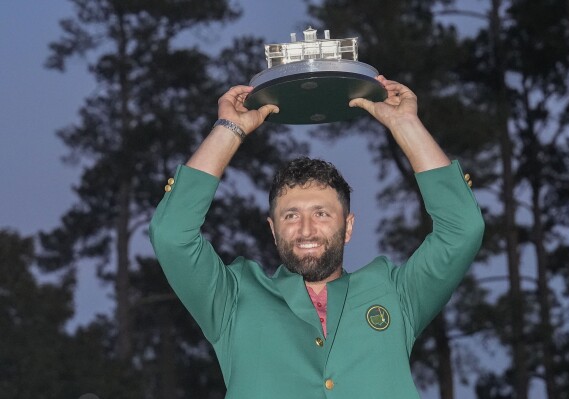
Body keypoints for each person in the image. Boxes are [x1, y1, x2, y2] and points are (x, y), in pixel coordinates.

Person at [149, 75, 485, 399]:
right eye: (291, 215)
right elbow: (171, 233)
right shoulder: (232, 299)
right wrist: (229, 129)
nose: (306, 229)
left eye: (321, 214)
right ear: (273, 229)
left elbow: (462, 230)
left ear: (348, 226)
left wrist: (405, 124)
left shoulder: (396, 294)